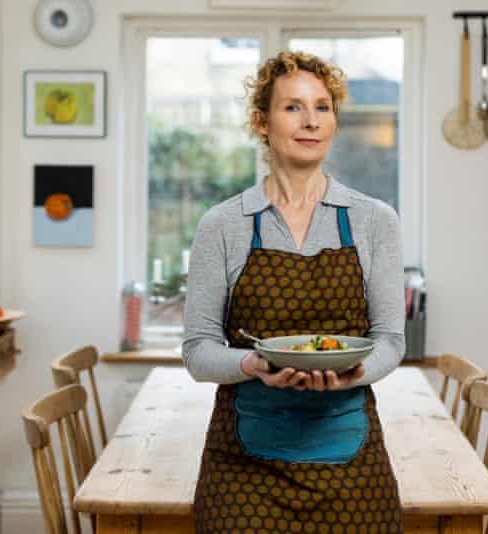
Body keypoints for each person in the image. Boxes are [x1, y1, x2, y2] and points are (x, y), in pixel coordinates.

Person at [183, 50, 405, 533]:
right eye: (293, 107)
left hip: (351, 461)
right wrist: (254, 364)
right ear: (262, 122)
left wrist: (355, 371)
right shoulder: (223, 225)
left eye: (322, 107)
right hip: (243, 466)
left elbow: (391, 340)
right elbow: (198, 352)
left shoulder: (373, 220)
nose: (310, 121)